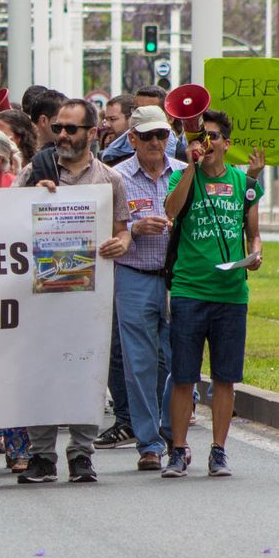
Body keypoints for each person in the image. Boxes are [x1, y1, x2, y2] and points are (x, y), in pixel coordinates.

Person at [14, 99, 133, 485]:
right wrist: (32, 197)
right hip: (40, 291)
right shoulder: (36, 170)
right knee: (40, 371)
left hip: (88, 295)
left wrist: (119, 243)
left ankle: (82, 453)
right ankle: (41, 455)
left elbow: (123, 230)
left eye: (71, 129)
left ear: (92, 133)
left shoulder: (110, 180)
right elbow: (4, 219)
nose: (62, 135)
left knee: (87, 370)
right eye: (58, 128)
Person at [160, 109, 262, 478]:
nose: (206, 144)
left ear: (227, 144)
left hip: (231, 293)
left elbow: (253, 232)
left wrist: (256, 253)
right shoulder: (180, 175)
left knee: (225, 377)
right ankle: (178, 449)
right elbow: (171, 210)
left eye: (212, 137)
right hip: (190, 289)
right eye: (199, 138)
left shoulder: (243, 182)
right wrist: (191, 166)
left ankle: (218, 450)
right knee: (183, 375)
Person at [111, 105, 186, 471]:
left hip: (179, 278)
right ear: (132, 139)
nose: (156, 142)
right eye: (147, 136)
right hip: (134, 275)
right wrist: (134, 229)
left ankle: (173, 431)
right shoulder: (116, 178)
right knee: (139, 363)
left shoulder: (185, 173)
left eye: (162, 135)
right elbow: (101, 228)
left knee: (179, 359)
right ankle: (149, 443)